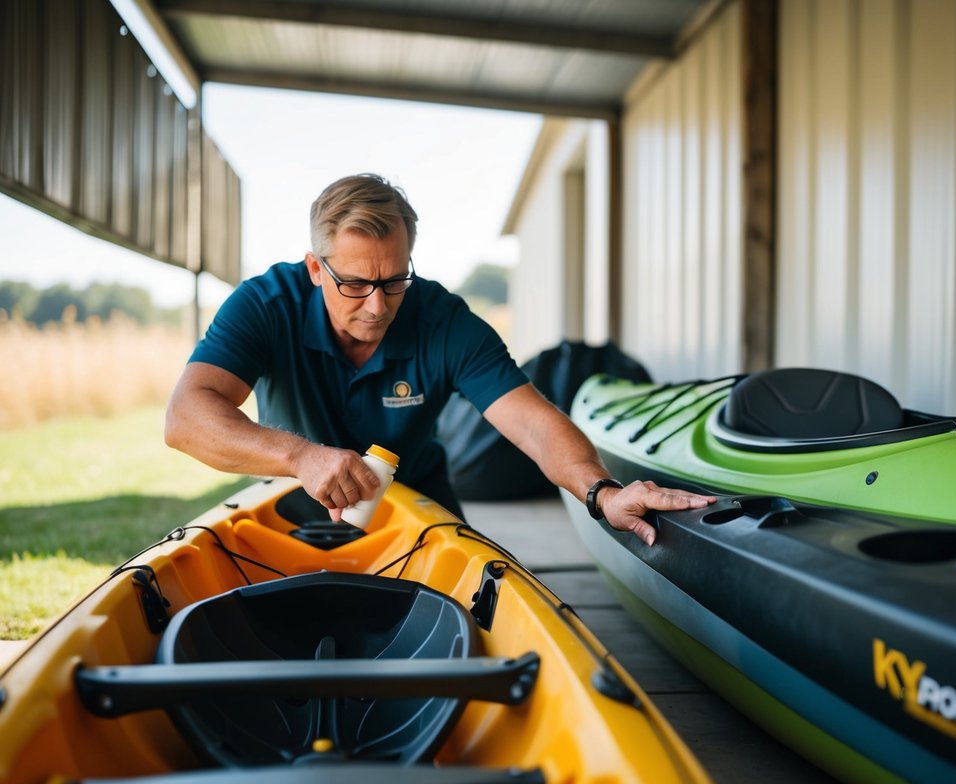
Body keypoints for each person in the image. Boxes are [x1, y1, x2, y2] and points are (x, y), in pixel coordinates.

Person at [165, 173, 714, 545]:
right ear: (315, 268)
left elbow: (531, 422)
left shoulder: (444, 319)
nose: (378, 306)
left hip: (421, 508)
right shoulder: (265, 304)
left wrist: (603, 492)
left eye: (394, 279)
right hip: (290, 504)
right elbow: (185, 418)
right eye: (355, 283)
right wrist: (303, 458)